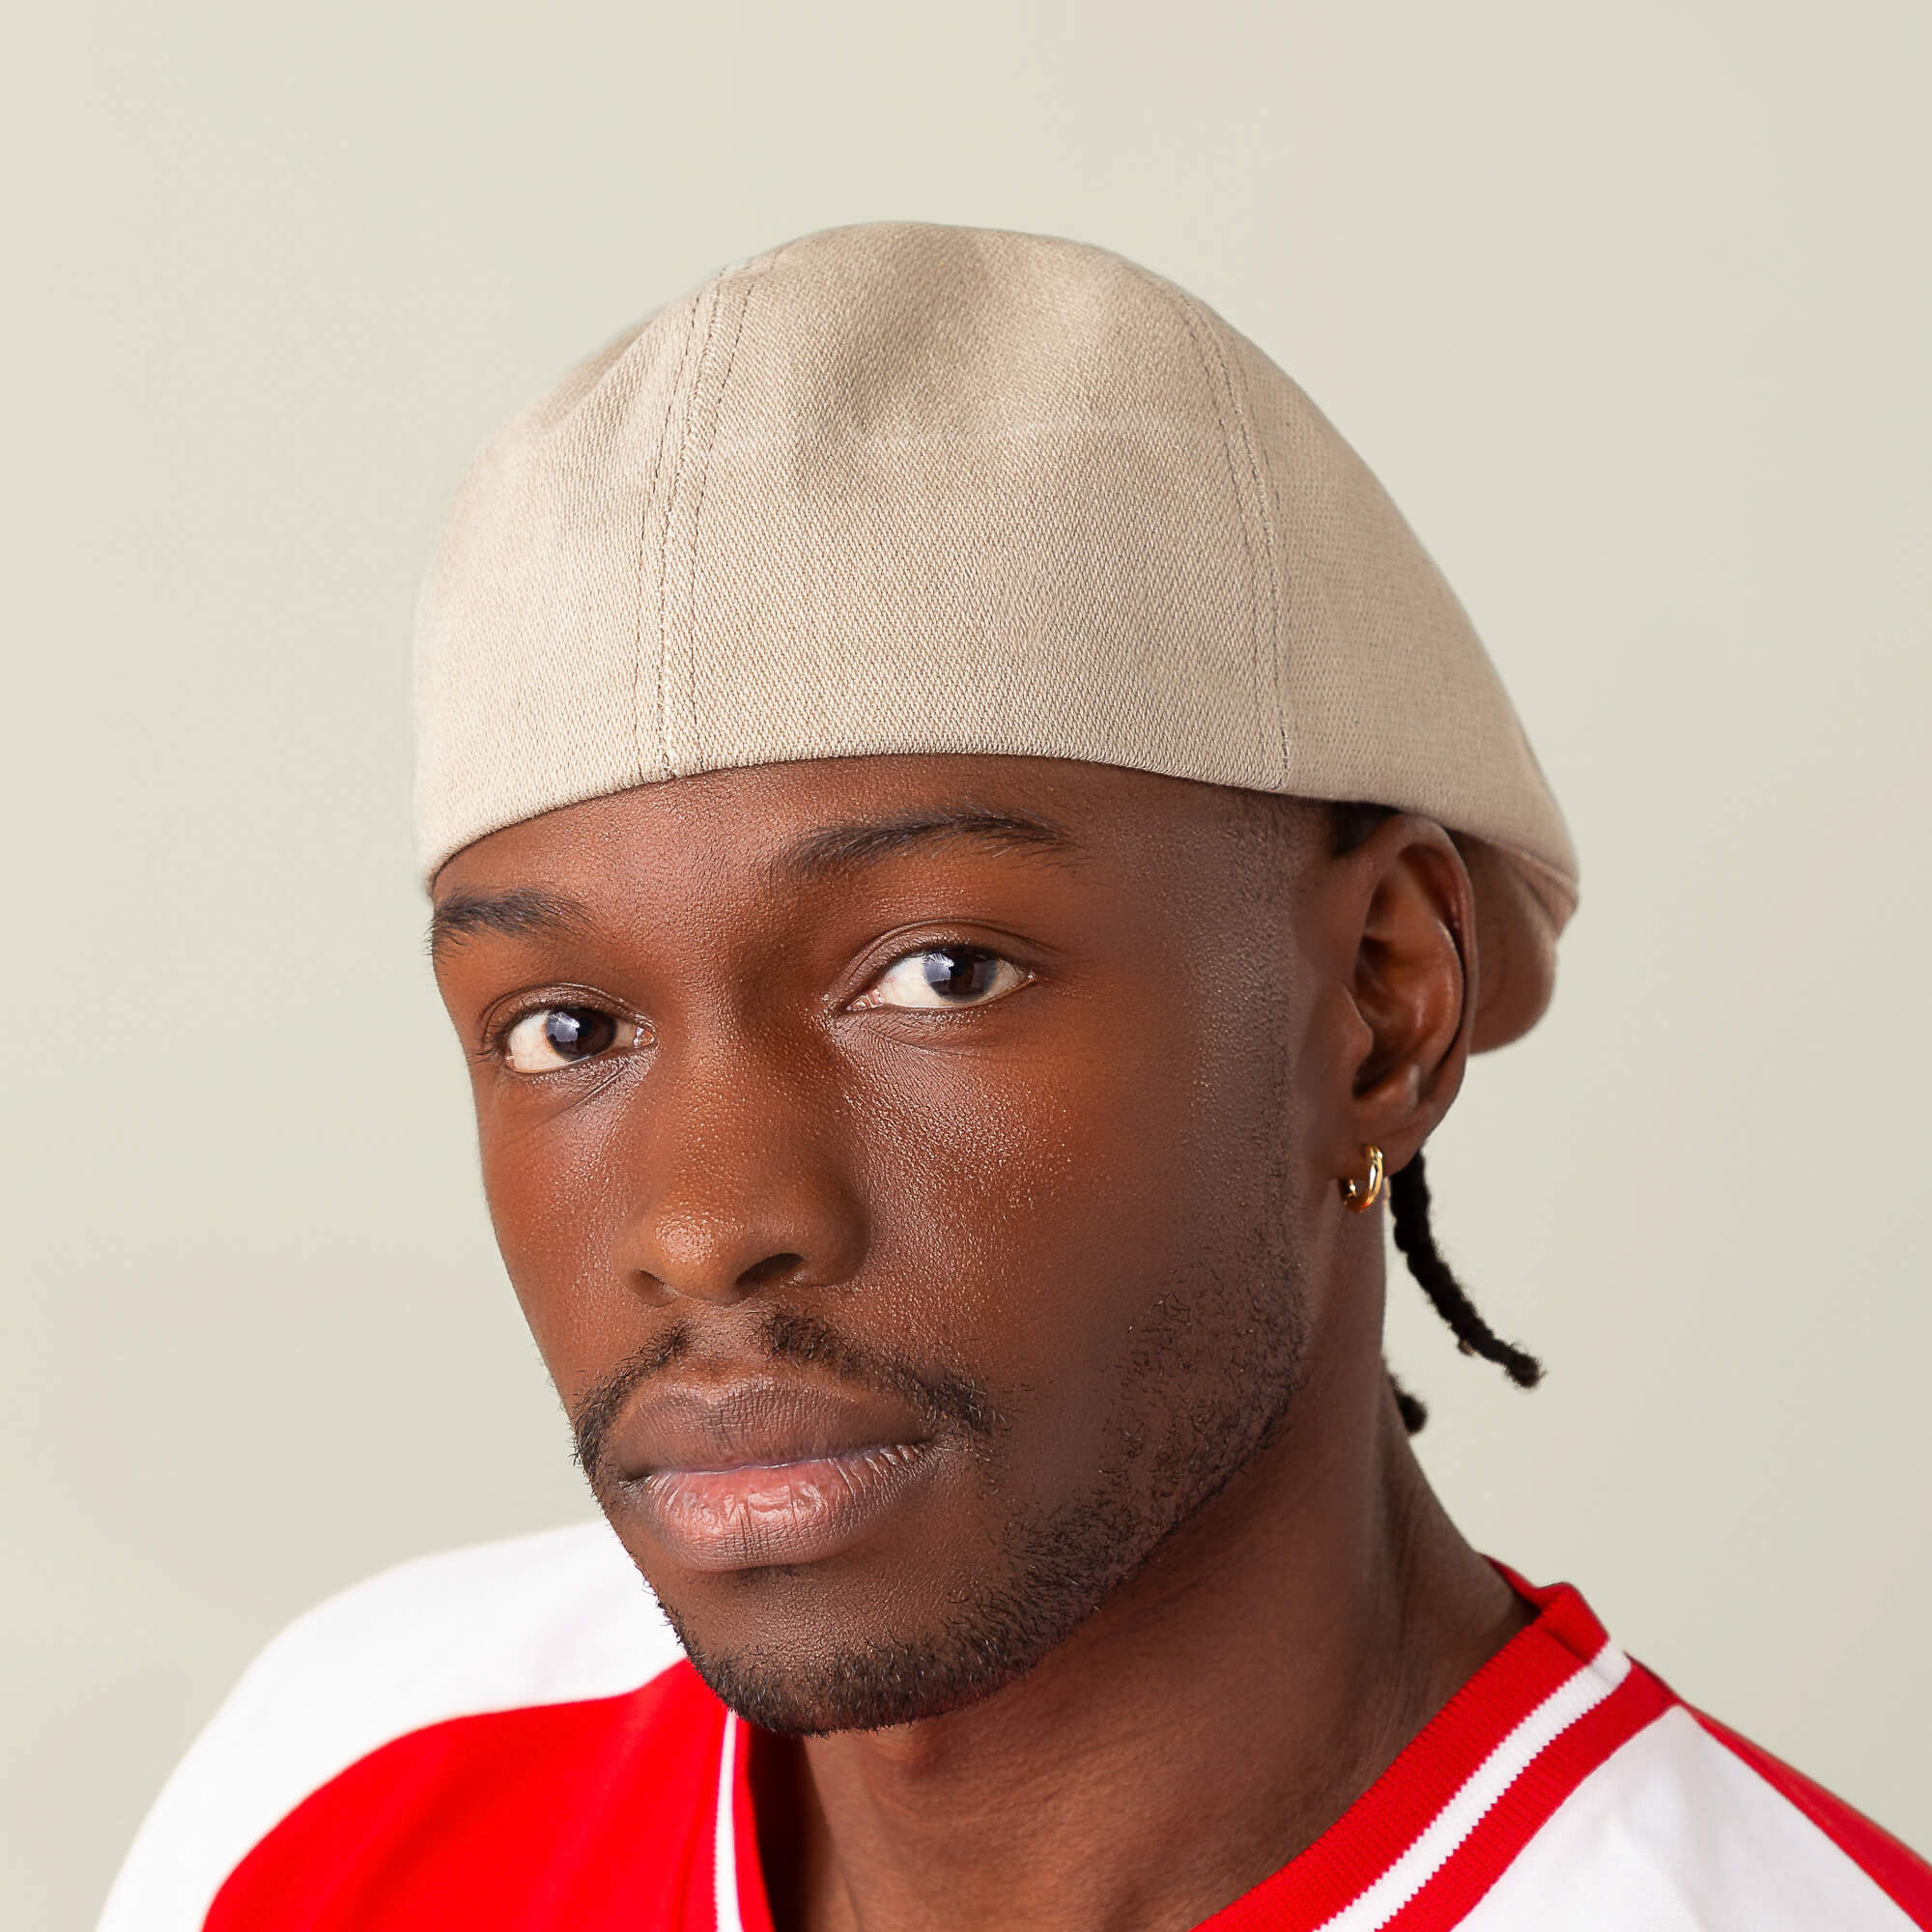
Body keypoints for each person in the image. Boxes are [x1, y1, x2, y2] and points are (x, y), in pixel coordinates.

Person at [99, 222, 1931, 1932]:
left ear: (1382, 1002)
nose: (704, 1224)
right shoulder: (344, 1768)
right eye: (566, 1029)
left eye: (937, 975)